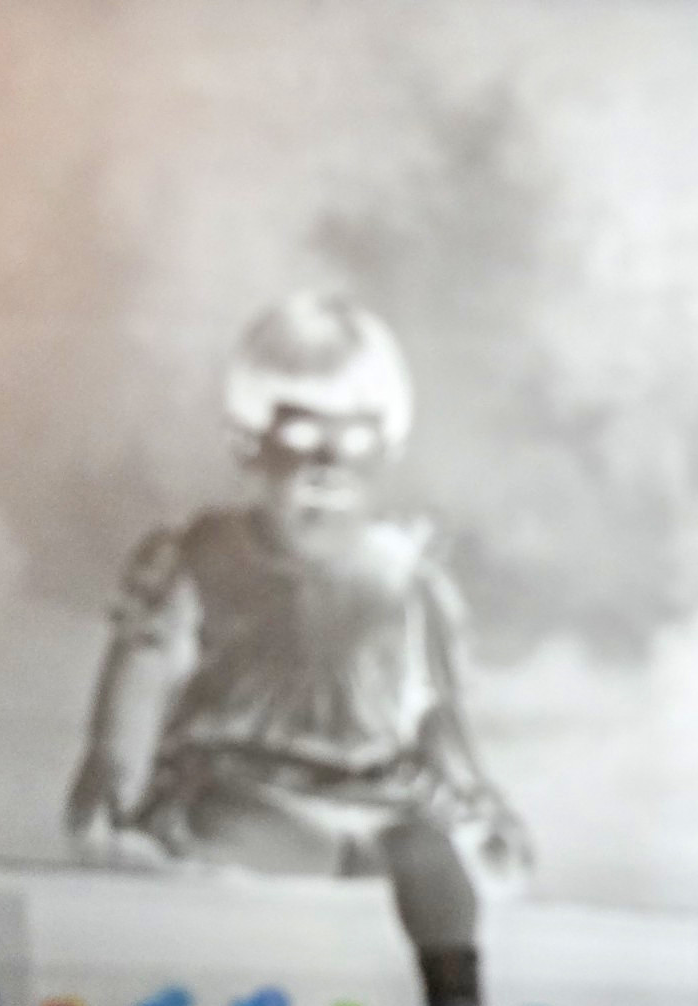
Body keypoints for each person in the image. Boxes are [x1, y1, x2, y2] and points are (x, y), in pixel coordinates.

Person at [65, 292, 532, 1006]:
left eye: (353, 440)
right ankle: (328, 874)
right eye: (300, 437)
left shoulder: (404, 576)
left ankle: (455, 992)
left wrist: (480, 802)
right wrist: (110, 772)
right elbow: (144, 670)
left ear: (388, 446)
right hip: (243, 778)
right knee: (224, 822)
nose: (326, 465)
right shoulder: (202, 557)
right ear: (248, 444)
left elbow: (438, 714)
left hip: (374, 788)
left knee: (429, 851)